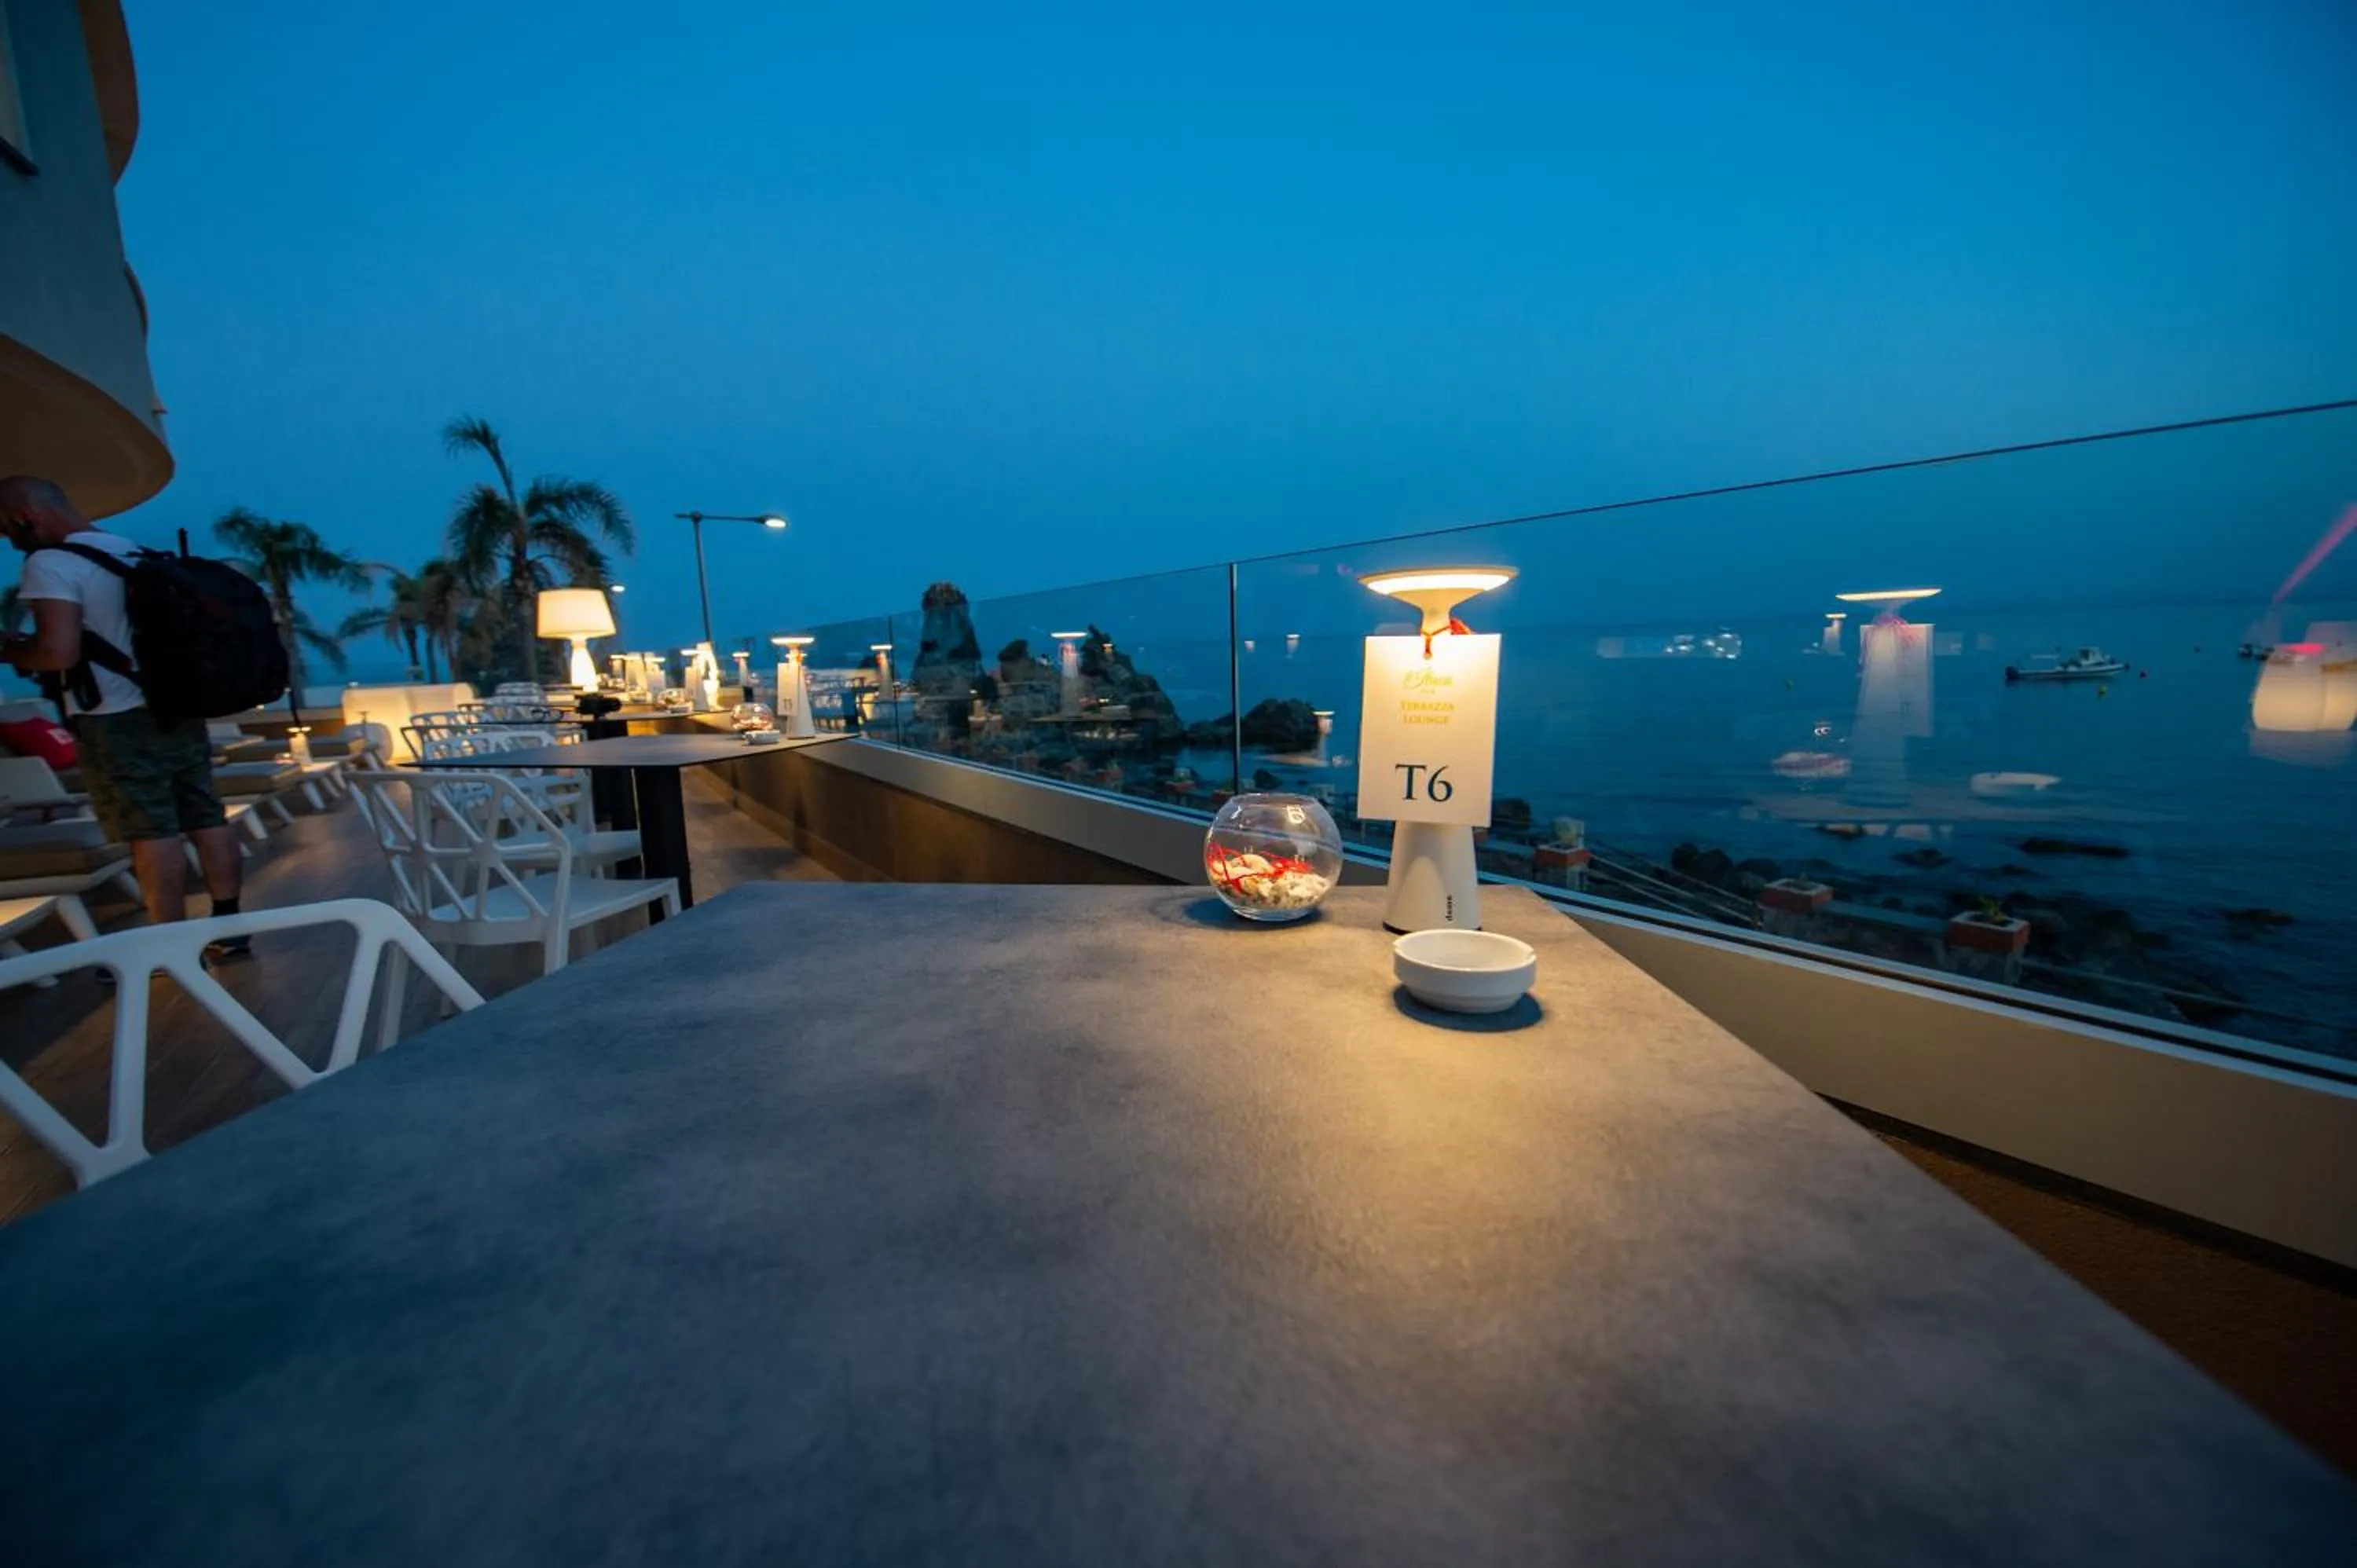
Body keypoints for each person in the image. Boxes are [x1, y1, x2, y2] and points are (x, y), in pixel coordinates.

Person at [1, 476, 249, 958]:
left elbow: (57, 652)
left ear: (25, 518)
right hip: (175, 706)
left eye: (7, 531)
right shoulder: (132, 553)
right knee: (205, 815)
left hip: (114, 718)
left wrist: (11, 651)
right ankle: (230, 927)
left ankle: (167, 948)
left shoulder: (50, 563)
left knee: (151, 831)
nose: (10, 543)